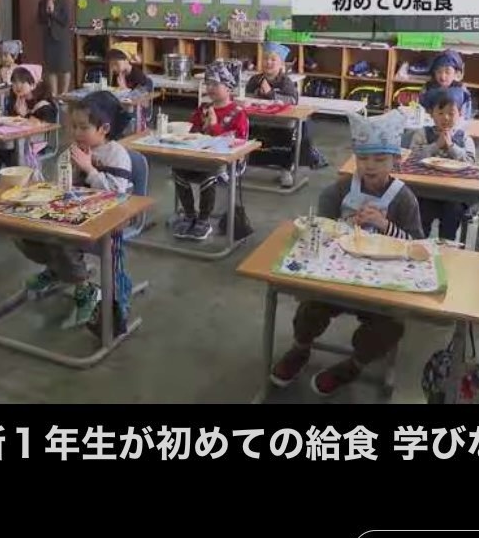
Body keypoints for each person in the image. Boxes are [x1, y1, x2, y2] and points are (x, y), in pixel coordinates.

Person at [270, 109, 424, 397]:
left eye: (380, 159)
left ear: (395, 160)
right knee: (310, 307)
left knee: (389, 327)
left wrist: (386, 225)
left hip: (381, 286)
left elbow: (416, 247)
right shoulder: (340, 190)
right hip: (337, 278)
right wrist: (342, 227)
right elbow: (319, 230)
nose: (370, 166)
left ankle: (355, 363)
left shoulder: (404, 199)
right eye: (363, 158)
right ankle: (300, 348)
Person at [18, 91, 133, 330]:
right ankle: (58, 268)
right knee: (22, 229)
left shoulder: (116, 154)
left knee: (61, 237)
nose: (76, 133)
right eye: (73, 127)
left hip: (106, 221)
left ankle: (84, 288)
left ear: (104, 128)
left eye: (83, 127)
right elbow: (59, 185)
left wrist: (89, 169)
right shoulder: (72, 150)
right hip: (72, 212)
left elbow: (118, 194)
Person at [172, 62, 252, 242]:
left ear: (229, 86)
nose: (210, 88)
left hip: (228, 165)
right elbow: (191, 134)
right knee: (178, 169)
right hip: (200, 157)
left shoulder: (238, 113)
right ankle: (190, 214)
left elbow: (237, 146)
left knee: (209, 173)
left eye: (216, 84)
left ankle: (204, 219)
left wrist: (214, 126)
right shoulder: (203, 109)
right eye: (208, 83)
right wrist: (196, 130)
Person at [245, 42, 327, 187]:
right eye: (265, 59)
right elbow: (248, 98)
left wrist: (270, 93)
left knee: (287, 139)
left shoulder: (286, 82)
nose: (268, 62)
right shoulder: (254, 80)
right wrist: (257, 95)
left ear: (281, 64)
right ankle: (244, 162)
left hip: (280, 123)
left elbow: (292, 100)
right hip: (258, 120)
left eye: (273, 59)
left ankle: (285, 169)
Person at [409, 90, 477, 240]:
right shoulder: (422, 134)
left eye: (451, 113)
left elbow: (471, 164)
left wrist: (451, 146)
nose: (445, 118)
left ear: (459, 114)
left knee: (453, 213)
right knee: (421, 212)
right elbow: (412, 158)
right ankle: (419, 245)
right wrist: (435, 146)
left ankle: (446, 247)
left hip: (454, 193)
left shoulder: (464, 138)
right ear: (431, 114)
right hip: (425, 190)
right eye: (440, 113)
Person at [0, 66, 57, 186]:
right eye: (14, 82)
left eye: (22, 82)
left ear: (34, 84)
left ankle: (17, 185)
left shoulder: (44, 105)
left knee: (10, 154)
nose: (17, 86)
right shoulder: (16, 100)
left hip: (34, 144)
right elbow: (11, 119)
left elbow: (39, 126)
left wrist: (25, 115)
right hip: (16, 140)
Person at [37, 0, 72, 98]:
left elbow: (65, 21)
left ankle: (64, 93)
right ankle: (54, 94)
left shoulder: (64, 1)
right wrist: (46, 13)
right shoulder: (42, 2)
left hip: (62, 38)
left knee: (64, 66)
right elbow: (40, 20)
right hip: (48, 37)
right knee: (51, 67)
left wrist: (53, 12)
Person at [420, 50, 473, 121]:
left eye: (447, 72)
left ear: (456, 73)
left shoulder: (461, 90)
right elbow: (421, 110)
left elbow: (465, 117)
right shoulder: (428, 88)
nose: (442, 76)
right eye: (439, 71)